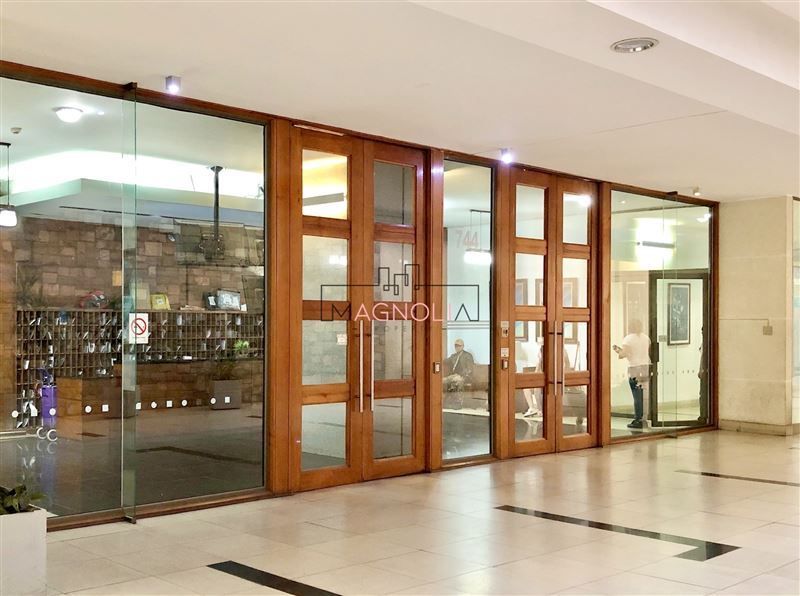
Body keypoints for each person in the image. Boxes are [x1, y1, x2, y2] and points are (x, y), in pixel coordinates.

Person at [613, 319, 651, 429]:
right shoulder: (646, 338)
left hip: (634, 368)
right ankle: (644, 418)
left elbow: (624, 354)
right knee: (643, 394)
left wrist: (617, 350)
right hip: (645, 367)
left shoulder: (628, 339)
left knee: (636, 394)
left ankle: (638, 419)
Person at [443, 338, 474, 409]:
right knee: (442, 380)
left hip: (465, 376)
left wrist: (461, 375)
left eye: (459, 346)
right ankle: (446, 402)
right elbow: (445, 361)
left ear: (463, 346)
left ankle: (458, 403)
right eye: (456, 346)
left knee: (457, 380)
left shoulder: (467, 355)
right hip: (453, 376)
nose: (457, 347)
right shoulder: (453, 356)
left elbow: (469, 368)